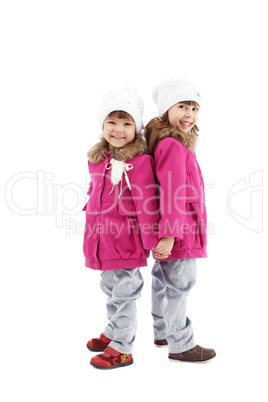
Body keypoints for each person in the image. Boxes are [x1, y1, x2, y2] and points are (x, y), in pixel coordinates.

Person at [83, 87, 160, 369]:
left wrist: (153, 241)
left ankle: (123, 348)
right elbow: (95, 192)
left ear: (136, 127)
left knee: (124, 293)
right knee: (109, 287)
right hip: (102, 241)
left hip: (126, 242)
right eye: (112, 122)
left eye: (127, 123)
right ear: (103, 126)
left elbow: (147, 204)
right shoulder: (98, 160)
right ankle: (114, 331)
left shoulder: (139, 163)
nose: (118, 129)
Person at [144, 78, 216, 363]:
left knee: (163, 281)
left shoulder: (167, 141)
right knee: (180, 285)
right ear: (166, 109)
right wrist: (171, 233)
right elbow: (171, 192)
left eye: (195, 108)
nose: (189, 114)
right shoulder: (173, 144)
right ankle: (181, 344)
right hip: (178, 231)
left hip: (172, 229)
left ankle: (162, 332)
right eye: (182, 106)